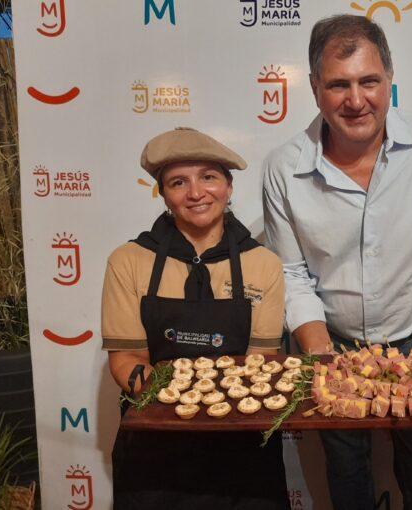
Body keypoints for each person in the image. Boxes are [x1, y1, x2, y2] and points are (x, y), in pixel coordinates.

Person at [262, 14, 412, 510]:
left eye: (369, 81)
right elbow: (291, 274)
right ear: (315, 88)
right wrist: (321, 355)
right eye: (338, 85)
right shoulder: (282, 167)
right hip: (332, 341)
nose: (356, 100)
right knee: (346, 472)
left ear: (390, 78)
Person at [101, 127, 290, 509]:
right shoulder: (128, 261)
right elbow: (126, 359)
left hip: (241, 445)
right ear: (163, 194)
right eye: (178, 182)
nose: (196, 192)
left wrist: (213, 408)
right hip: (156, 447)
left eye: (208, 177)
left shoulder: (263, 264)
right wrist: (177, 403)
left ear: (229, 186)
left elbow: (261, 361)